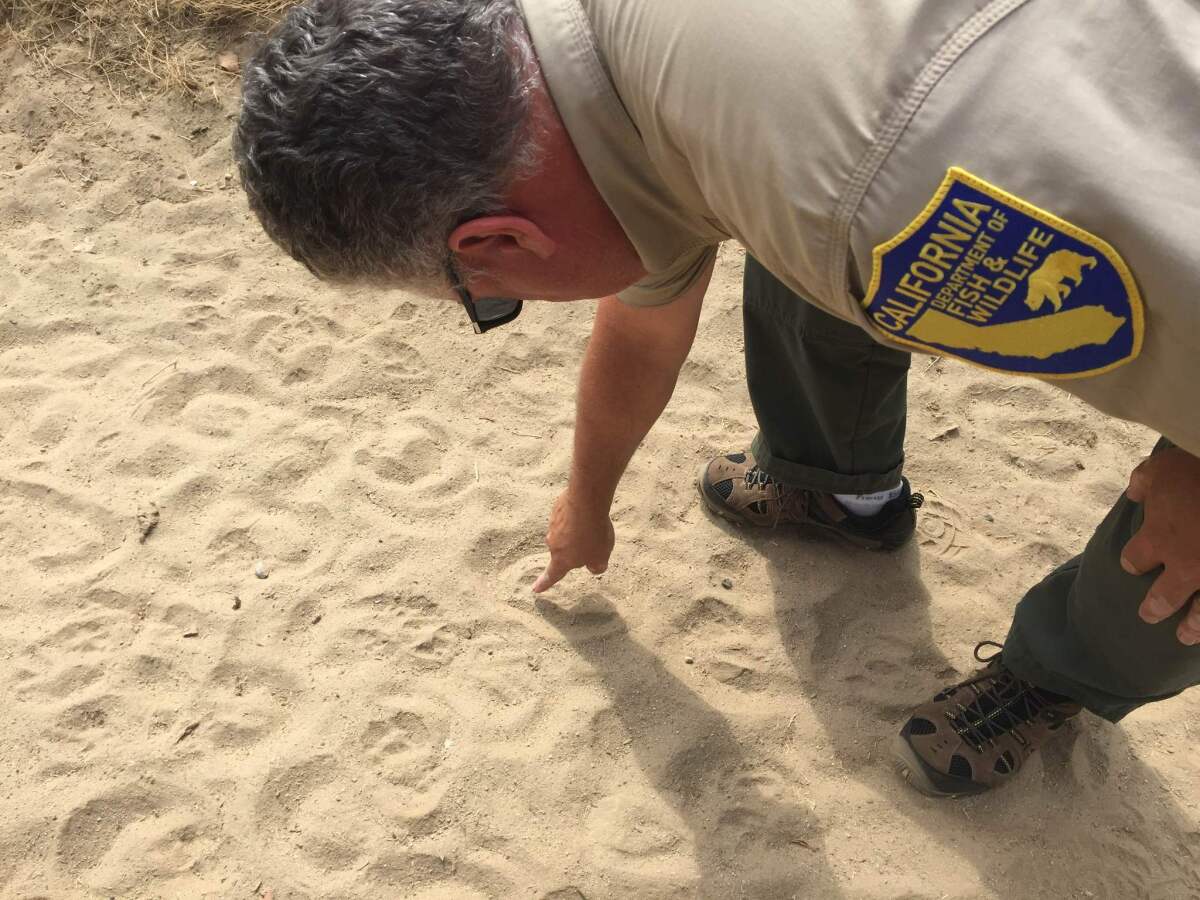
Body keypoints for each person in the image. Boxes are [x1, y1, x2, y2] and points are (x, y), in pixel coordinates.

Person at [232, 0, 1200, 798]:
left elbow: (849, 199)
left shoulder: (858, 203)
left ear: (502, 245)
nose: (507, 302)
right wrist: (588, 499)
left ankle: (1063, 671)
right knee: (809, 256)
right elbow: (648, 314)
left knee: (1185, 549)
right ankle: (838, 489)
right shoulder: (614, 71)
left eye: (491, 304)